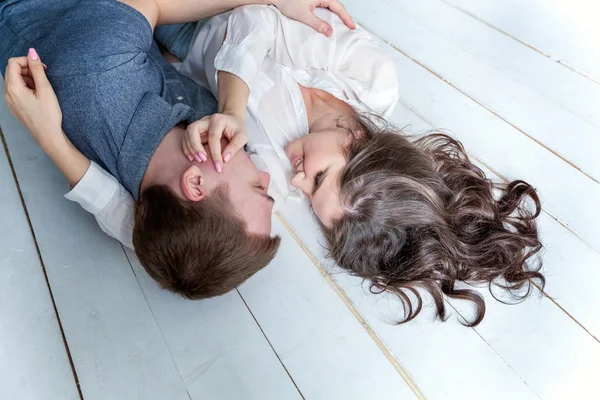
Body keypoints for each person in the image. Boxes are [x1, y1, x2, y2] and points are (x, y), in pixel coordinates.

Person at [6, 4, 544, 326]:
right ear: (359, 141)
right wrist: (233, 109)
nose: (291, 180)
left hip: (174, 43)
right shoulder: (371, 79)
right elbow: (256, 19)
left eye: (309, 198)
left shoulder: (260, 165)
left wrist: (52, 138)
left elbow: (153, 226)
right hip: (203, 16)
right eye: (320, 179)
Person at [0, 0, 355, 300]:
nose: (267, 173)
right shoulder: (165, 188)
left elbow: (153, 4)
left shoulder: (102, 75)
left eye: (258, 188)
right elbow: (130, 226)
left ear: (196, 183)